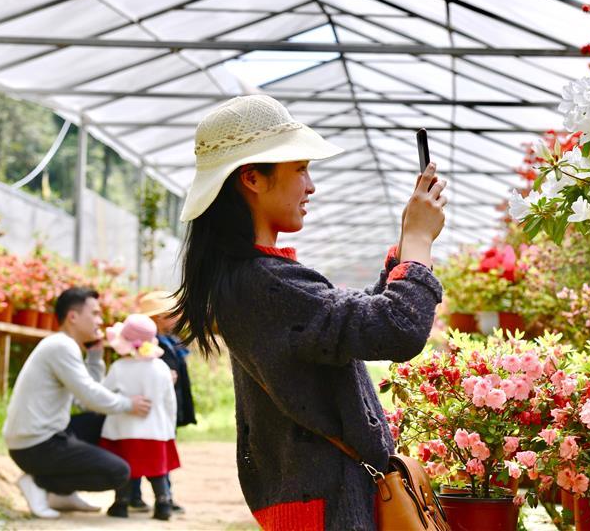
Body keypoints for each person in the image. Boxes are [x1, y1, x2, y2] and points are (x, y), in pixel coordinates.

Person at [171, 94, 447, 531]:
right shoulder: (267, 282)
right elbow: (398, 329)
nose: (311, 185)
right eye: (300, 169)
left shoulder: (255, 277)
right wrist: (418, 246)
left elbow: (352, 326)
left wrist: (405, 249)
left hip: (312, 498)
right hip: (328, 506)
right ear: (253, 178)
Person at [3, 287, 152, 519]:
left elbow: (85, 403)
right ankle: (40, 483)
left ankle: (62, 494)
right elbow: (90, 395)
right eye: (94, 314)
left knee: (101, 420)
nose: (100, 321)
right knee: (118, 473)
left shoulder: (62, 345)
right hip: (36, 445)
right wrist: (128, 404)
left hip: (42, 438)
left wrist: (94, 358)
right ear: (73, 317)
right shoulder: (61, 346)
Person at [99, 314, 180, 520]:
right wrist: (170, 427)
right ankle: (163, 504)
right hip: (156, 431)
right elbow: (170, 402)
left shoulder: (118, 368)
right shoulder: (161, 368)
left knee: (125, 469)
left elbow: (103, 394)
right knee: (157, 470)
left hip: (122, 431)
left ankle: (121, 503)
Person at [127, 290, 196, 513]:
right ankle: (147, 496)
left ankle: (153, 495)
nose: (177, 318)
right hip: (150, 408)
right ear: (157, 317)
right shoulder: (146, 346)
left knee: (159, 451)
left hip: (168, 407)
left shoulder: (172, 343)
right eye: (172, 314)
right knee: (146, 451)